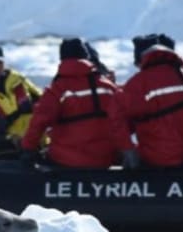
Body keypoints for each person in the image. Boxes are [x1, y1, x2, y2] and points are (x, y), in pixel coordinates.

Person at [20, 37, 136, 168]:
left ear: (62, 58)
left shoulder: (57, 90)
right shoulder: (109, 87)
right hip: (105, 159)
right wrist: (126, 150)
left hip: (66, 160)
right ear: (86, 57)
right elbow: (126, 121)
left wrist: (28, 149)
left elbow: (38, 122)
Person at [121, 33, 183, 167]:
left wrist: (128, 149)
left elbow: (120, 121)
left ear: (143, 59)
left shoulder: (139, 83)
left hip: (155, 158)